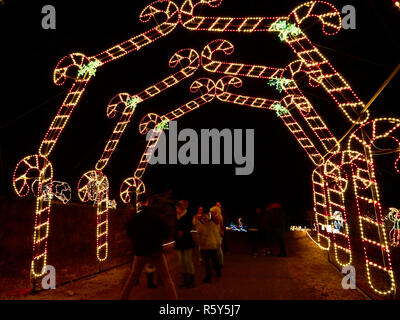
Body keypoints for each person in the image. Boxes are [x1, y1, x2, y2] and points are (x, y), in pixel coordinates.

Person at [120, 194, 178, 300]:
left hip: (140, 252)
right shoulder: (156, 216)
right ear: (148, 201)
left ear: (139, 202)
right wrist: (160, 240)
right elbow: (166, 230)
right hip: (155, 251)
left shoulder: (135, 218)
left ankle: (123, 298)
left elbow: (129, 232)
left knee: (132, 277)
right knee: (166, 279)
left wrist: (137, 240)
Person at [193, 206, 221, 283]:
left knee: (207, 262)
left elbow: (199, 231)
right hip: (212, 242)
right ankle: (218, 272)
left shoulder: (200, 222)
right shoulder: (212, 220)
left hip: (205, 244)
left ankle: (208, 277)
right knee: (215, 259)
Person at [174, 200, 195, 289]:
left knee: (188, 261)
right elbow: (175, 228)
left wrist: (181, 232)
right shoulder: (177, 217)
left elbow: (187, 228)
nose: (176, 210)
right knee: (181, 262)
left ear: (181, 208)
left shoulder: (188, 216)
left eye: (177, 208)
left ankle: (191, 281)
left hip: (186, 242)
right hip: (179, 242)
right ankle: (185, 280)